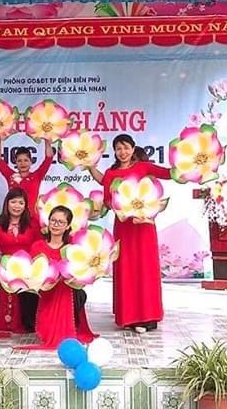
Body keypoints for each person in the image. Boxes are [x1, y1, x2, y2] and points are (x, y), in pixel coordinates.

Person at [88, 134, 171, 333]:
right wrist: (123, 208)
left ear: (133, 149)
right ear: (115, 152)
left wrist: (192, 168)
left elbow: (168, 173)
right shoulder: (111, 174)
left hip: (144, 226)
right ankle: (129, 317)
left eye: (126, 147)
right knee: (127, 268)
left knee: (146, 268)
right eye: (118, 148)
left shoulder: (143, 167)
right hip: (124, 226)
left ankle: (149, 316)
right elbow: (108, 200)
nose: (122, 152)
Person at [22, 206, 96, 349]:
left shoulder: (73, 247)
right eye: (53, 220)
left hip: (67, 291)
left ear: (68, 226)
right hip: (46, 292)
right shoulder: (37, 246)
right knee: (45, 335)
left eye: (61, 222)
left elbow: (82, 270)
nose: (56, 225)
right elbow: (32, 272)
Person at [0, 188, 39, 333]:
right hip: (7, 269)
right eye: (13, 202)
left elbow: (40, 245)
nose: (17, 206)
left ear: (25, 205)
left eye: (21, 203)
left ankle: (29, 324)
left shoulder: (33, 224)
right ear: (7, 203)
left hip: (29, 270)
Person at [0, 136, 54, 216]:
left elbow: (49, 158)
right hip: (13, 218)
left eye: (26, 160)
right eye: (19, 161)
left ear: (31, 162)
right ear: (15, 162)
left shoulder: (37, 175)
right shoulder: (11, 176)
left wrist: (46, 140)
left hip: (31, 218)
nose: (23, 163)